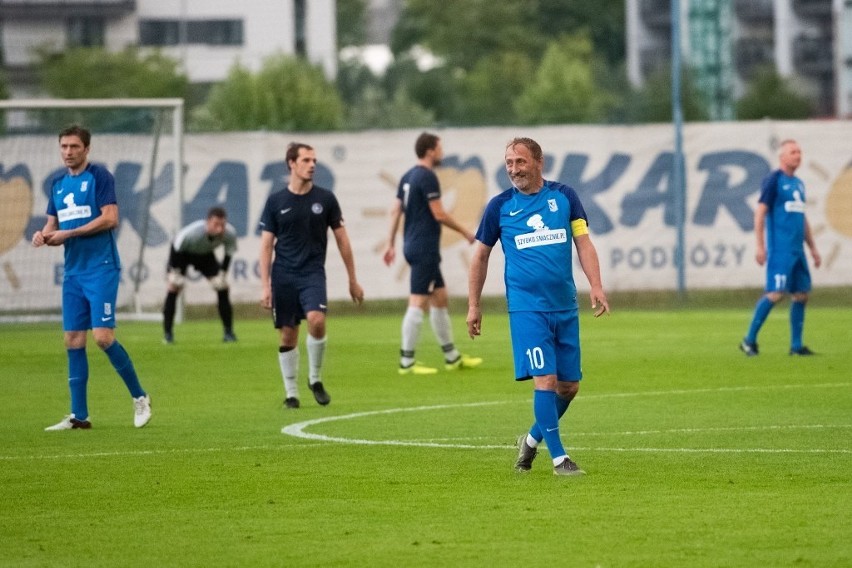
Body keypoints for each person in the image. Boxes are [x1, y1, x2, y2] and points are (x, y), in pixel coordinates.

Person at [467, 137, 609, 476]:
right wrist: (474, 305)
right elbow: (480, 256)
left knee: (568, 387)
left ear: (538, 162)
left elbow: (584, 243)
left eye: (520, 162)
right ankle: (560, 459)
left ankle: (530, 442)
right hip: (527, 309)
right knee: (544, 380)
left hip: (565, 306)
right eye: (509, 164)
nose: (513, 170)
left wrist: (597, 286)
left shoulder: (564, 198)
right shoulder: (500, 207)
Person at [33, 124, 152, 430]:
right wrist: (42, 236)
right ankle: (79, 416)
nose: (68, 152)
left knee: (102, 337)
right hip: (73, 272)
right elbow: (51, 225)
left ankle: (140, 397)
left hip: (101, 267)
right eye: (64, 147)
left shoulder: (99, 177)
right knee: (72, 338)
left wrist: (68, 233)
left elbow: (110, 218)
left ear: (87, 149)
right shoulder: (58, 186)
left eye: (74, 147)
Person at [259, 142, 364, 408]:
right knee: (288, 335)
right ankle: (291, 394)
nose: (312, 165)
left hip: (312, 274)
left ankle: (315, 379)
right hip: (283, 275)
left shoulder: (325, 199)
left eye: (314, 160)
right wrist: (265, 285)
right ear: (291, 164)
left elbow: (343, 240)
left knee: (317, 321)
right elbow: (266, 245)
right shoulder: (276, 201)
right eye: (306, 160)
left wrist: (353, 279)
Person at [382, 132, 482, 375]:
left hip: (413, 244)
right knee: (417, 302)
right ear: (429, 151)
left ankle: (451, 357)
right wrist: (465, 232)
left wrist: (390, 243)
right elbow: (438, 213)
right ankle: (406, 361)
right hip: (424, 247)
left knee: (440, 297)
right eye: (440, 148)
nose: (442, 153)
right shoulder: (427, 177)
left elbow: (395, 210)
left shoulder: (408, 175)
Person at [740, 139, 821, 357]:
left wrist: (812, 248)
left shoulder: (799, 184)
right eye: (793, 152)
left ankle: (796, 346)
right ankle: (749, 340)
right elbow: (759, 213)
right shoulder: (774, 180)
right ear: (782, 157)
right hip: (781, 250)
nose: (798, 155)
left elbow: (801, 218)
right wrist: (760, 245)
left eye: (799, 151)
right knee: (776, 293)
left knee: (801, 294)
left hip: (797, 251)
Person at [162, 206, 238, 344]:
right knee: (173, 287)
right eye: (216, 225)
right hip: (182, 255)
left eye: (222, 225)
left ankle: (229, 332)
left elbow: (229, 253)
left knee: (222, 287)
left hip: (205, 256)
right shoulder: (191, 234)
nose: (220, 229)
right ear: (207, 222)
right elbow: (176, 246)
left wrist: (222, 273)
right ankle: (168, 334)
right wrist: (175, 272)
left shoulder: (229, 233)